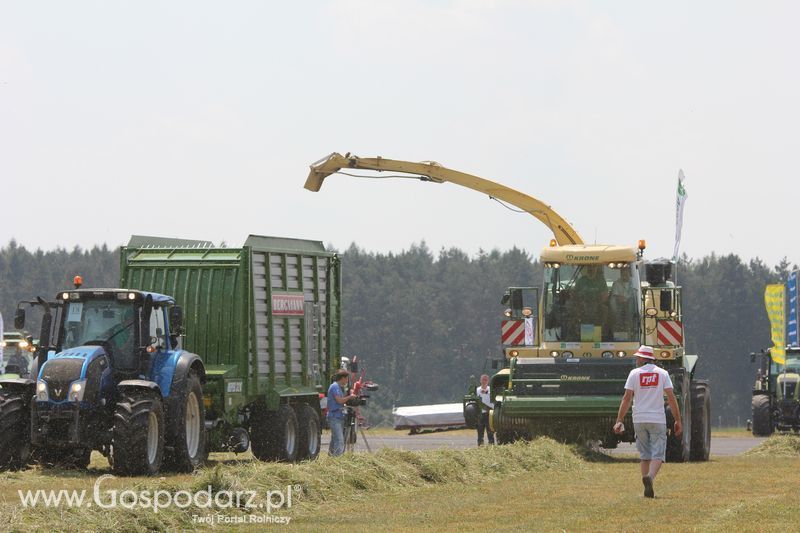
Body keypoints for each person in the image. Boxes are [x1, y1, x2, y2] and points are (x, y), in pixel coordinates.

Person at [613, 345, 682, 498]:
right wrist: (677, 420)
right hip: (657, 419)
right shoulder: (663, 374)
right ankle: (649, 478)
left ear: (644, 358)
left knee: (645, 455)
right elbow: (671, 398)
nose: (637, 359)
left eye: (638, 357)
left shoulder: (634, 374)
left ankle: (646, 489)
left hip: (639, 419)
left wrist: (619, 420)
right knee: (658, 454)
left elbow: (626, 398)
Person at [327, 369, 356, 457]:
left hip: (339, 417)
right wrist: (349, 397)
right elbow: (339, 400)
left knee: (334, 439)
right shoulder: (334, 387)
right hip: (334, 417)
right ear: (342, 378)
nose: (347, 381)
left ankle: (331, 457)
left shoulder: (339, 388)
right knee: (339, 440)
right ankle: (338, 459)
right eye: (346, 379)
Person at [476, 374, 495, 446]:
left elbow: (492, 396)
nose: (484, 381)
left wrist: (485, 392)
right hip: (480, 414)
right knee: (480, 431)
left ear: (488, 381)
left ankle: (491, 445)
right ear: (480, 380)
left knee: (490, 431)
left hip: (489, 414)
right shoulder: (477, 390)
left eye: (485, 380)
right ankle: (480, 445)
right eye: (482, 380)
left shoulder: (491, 390)